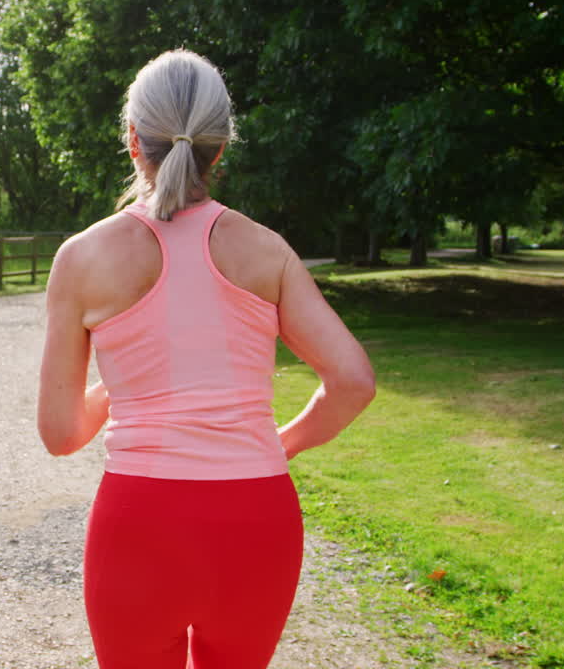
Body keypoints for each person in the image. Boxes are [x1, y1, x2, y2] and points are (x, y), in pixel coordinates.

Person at [37, 49, 376, 668]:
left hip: (139, 525)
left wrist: (130, 384)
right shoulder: (267, 251)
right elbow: (352, 381)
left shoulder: (82, 257)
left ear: (132, 139)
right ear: (221, 148)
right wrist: (288, 442)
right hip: (256, 518)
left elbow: (60, 434)